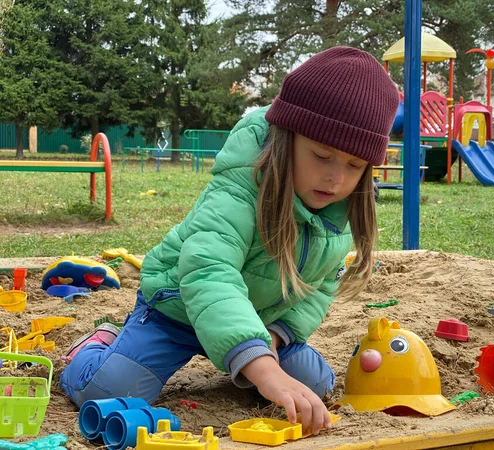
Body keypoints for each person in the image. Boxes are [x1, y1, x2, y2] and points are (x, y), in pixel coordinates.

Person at [59, 46, 399, 435]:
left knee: (315, 385)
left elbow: (319, 286)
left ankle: (243, 357)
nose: (336, 178)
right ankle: (94, 348)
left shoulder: (339, 214)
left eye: (354, 165)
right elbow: (208, 272)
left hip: (259, 321)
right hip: (179, 309)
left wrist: (274, 337)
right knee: (106, 389)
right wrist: (264, 369)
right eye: (322, 155)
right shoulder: (238, 191)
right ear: (286, 139)